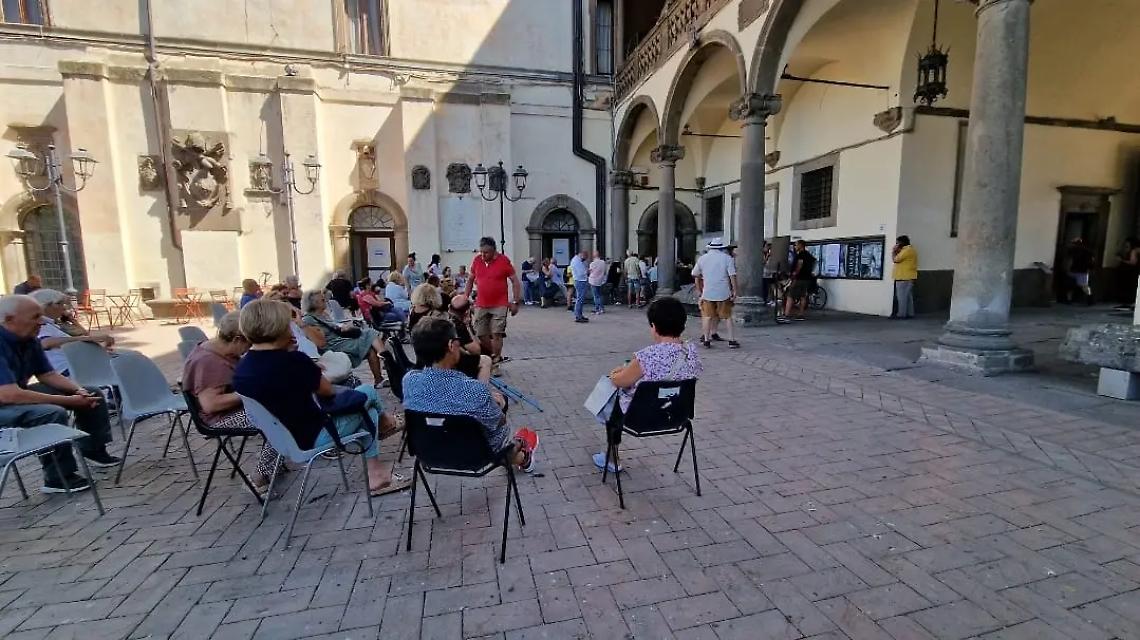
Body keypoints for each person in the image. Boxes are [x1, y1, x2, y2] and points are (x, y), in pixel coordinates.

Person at [234, 299, 408, 496]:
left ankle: (380, 459)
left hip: (282, 440)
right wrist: (303, 362)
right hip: (313, 437)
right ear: (277, 328)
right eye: (288, 325)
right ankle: (380, 462)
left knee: (364, 406)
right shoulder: (293, 361)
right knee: (367, 396)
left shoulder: (242, 368)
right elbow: (327, 391)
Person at [0, 295, 120, 492]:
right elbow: (8, 395)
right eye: (35, 316)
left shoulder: (29, 339)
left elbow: (47, 374)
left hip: (14, 395)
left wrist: (78, 391)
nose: (41, 321)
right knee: (51, 412)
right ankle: (58, 477)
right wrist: (68, 400)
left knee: (92, 392)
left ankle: (93, 449)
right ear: (10, 319)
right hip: (6, 400)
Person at [402, 318, 537, 472]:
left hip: (427, 453)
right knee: (499, 413)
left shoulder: (409, 381)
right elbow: (498, 425)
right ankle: (520, 452)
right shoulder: (473, 389)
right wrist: (498, 405)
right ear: (451, 345)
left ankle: (519, 451)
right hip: (475, 457)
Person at [591, 297, 702, 473]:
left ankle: (612, 459)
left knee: (610, 394)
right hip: (676, 414)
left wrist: (615, 373)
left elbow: (619, 381)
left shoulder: (647, 356)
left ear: (654, 327)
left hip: (640, 418)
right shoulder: (691, 351)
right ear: (683, 325)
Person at [182, 311, 283, 494]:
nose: (249, 348)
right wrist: (252, 391)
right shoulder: (208, 361)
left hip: (235, 409)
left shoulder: (220, 351)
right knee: (282, 417)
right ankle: (258, 478)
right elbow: (210, 405)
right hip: (219, 418)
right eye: (249, 343)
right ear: (237, 339)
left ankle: (275, 460)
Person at [301, 290, 387, 387]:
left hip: (339, 341)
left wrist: (342, 327)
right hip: (332, 346)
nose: (326, 301)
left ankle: (379, 378)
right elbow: (318, 338)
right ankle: (385, 357)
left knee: (370, 348)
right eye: (323, 300)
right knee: (369, 333)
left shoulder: (323, 315)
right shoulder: (308, 319)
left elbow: (333, 327)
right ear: (314, 303)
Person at [463, 236, 522, 368]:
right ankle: (493, 355)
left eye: (486, 252)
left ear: (494, 251)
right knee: (480, 333)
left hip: (500, 304)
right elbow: (470, 279)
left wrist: (515, 301)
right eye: (481, 252)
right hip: (481, 303)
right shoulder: (477, 260)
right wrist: (465, 296)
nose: (483, 255)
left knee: (497, 333)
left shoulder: (504, 261)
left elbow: (515, 281)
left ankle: (495, 362)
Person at [31, 289, 115, 376]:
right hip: (66, 371)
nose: (63, 308)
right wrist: (87, 339)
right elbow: (45, 343)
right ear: (44, 306)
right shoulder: (41, 325)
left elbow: (84, 333)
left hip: (76, 365)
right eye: (59, 303)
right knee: (119, 371)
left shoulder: (54, 324)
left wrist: (72, 320)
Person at [692, 238, 740, 348]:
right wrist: (735, 290)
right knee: (727, 316)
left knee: (707, 316)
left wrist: (699, 290)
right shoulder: (728, 259)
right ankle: (731, 340)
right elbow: (732, 276)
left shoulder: (702, 259)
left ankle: (706, 339)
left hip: (708, 292)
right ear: (722, 248)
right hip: (723, 292)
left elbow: (696, 275)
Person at [448, 295, 493, 382]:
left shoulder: (444, 318)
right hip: (455, 361)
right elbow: (476, 350)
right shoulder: (458, 325)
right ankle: (481, 390)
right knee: (486, 359)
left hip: (439, 358)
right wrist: (468, 326)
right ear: (467, 311)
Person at [779, 240, 815, 324]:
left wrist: (794, 274)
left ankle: (786, 315)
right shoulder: (809, 255)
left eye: (796, 245)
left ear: (800, 245)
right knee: (803, 296)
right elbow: (813, 263)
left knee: (790, 295)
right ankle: (801, 314)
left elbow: (799, 265)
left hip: (798, 278)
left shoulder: (800, 255)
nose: (795, 247)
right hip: (807, 278)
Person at [891, 235, 918, 319]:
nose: (897, 244)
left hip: (903, 277)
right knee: (908, 297)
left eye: (898, 242)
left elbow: (896, 259)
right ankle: (910, 313)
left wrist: (893, 251)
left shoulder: (906, 251)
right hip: (908, 276)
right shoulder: (910, 250)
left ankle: (901, 314)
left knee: (902, 297)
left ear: (902, 242)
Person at [1066, 238, 1095, 305]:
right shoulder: (1088, 251)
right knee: (1084, 286)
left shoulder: (1072, 250)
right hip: (1083, 271)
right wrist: (1091, 269)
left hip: (1074, 270)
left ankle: (1069, 300)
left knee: (1070, 286)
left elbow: (1069, 260)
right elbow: (1092, 261)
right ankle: (1090, 299)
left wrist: (1067, 268)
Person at [1115, 237, 1140, 310]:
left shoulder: (1134, 251)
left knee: (1132, 288)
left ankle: (1131, 303)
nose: (1125, 247)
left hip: (1133, 272)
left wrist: (1121, 260)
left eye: (1127, 246)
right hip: (1136, 272)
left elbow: (1133, 262)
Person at [570, 249, 590, 323]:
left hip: (580, 280)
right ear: (582, 254)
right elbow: (581, 272)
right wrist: (588, 271)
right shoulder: (577, 261)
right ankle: (578, 316)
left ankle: (580, 315)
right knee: (580, 299)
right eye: (586, 256)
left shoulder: (577, 260)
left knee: (580, 299)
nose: (586, 258)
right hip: (580, 281)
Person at [588, 251, 607, 315]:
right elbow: (605, 272)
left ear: (594, 256)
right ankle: (602, 308)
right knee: (600, 295)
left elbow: (590, 272)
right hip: (601, 281)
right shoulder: (603, 262)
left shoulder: (592, 264)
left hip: (593, 281)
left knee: (595, 296)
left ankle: (597, 309)